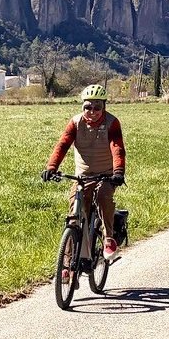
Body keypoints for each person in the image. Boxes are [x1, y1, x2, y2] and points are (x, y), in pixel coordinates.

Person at [42, 84, 126, 278]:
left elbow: (117, 147)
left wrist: (118, 172)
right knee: (74, 213)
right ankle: (68, 266)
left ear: (104, 107)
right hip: (83, 176)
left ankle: (109, 239)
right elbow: (62, 144)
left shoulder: (112, 122)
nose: (92, 112)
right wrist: (51, 168)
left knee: (105, 196)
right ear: (82, 107)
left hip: (106, 175)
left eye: (97, 107)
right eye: (88, 107)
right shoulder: (75, 122)